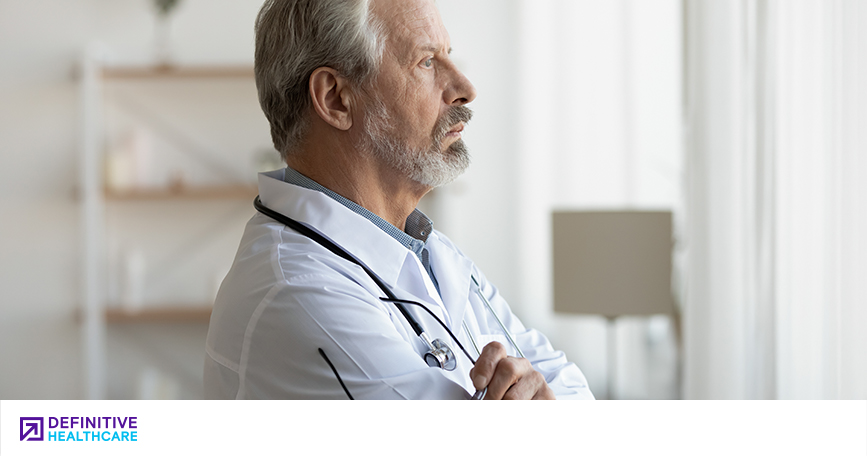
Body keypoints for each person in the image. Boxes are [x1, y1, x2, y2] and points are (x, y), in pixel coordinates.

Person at [204, 0, 594, 400]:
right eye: (426, 62)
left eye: (449, 56)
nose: (465, 88)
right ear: (337, 98)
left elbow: (573, 388)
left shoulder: (433, 255)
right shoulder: (301, 295)